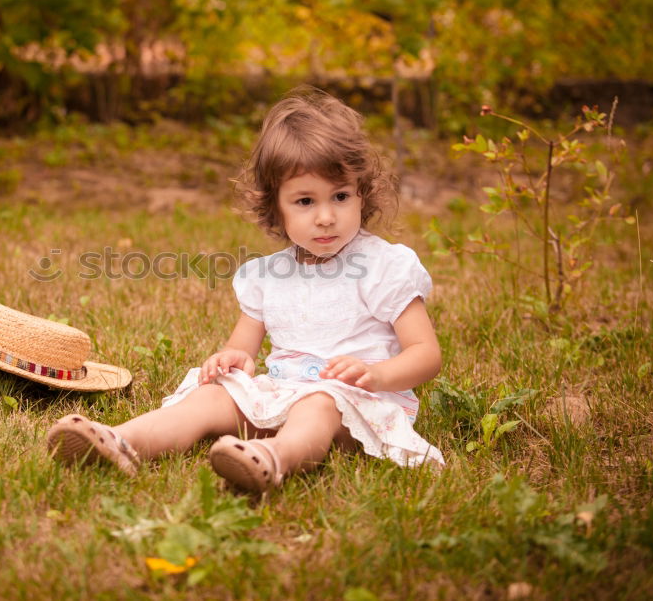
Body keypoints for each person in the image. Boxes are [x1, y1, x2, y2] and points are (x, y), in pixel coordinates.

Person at [47, 87, 445, 492]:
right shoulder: (267, 275)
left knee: (319, 405)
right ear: (276, 209)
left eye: (340, 196)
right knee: (210, 399)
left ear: (363, 193)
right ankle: (121, 440)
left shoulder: (384, 266)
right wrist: (232, 359)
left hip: (360, 404)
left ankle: (273, 460)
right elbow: (242, 352)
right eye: (305, 201)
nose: (326, 217)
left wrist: (377, 375)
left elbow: (426, 354)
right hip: (284, 392)